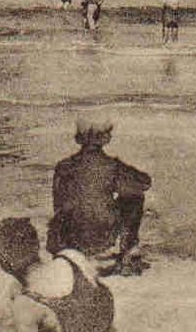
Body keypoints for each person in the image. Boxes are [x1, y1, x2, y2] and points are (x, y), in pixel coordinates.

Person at [0, 217, 117, 332]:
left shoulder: (26, 304)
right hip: (103, 329)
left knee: (24, 306)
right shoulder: (71, 256)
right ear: (37, 245)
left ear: (3, 260)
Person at [49, 113, 152, 273]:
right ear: (104, 138)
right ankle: (128, 254)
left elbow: (57, 204)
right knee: (134, 197)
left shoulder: (63, 166)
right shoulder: (111, 166)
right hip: (101, 233)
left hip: (68, 236)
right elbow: (144, 183)